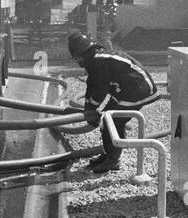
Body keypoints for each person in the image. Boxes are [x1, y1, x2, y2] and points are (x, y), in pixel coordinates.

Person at [67, 30, 159, 173]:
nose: (78, 62)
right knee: (107, 119)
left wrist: (92, 109)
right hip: (125, 90)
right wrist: (88, 108)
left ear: (83, 53)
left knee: (113, 120)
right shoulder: (95, 60)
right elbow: (91, 84)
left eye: (77, 58)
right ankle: (109, 155)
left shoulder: (99, 61)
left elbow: (99, 90)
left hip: (139, 90)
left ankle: (113, 160)